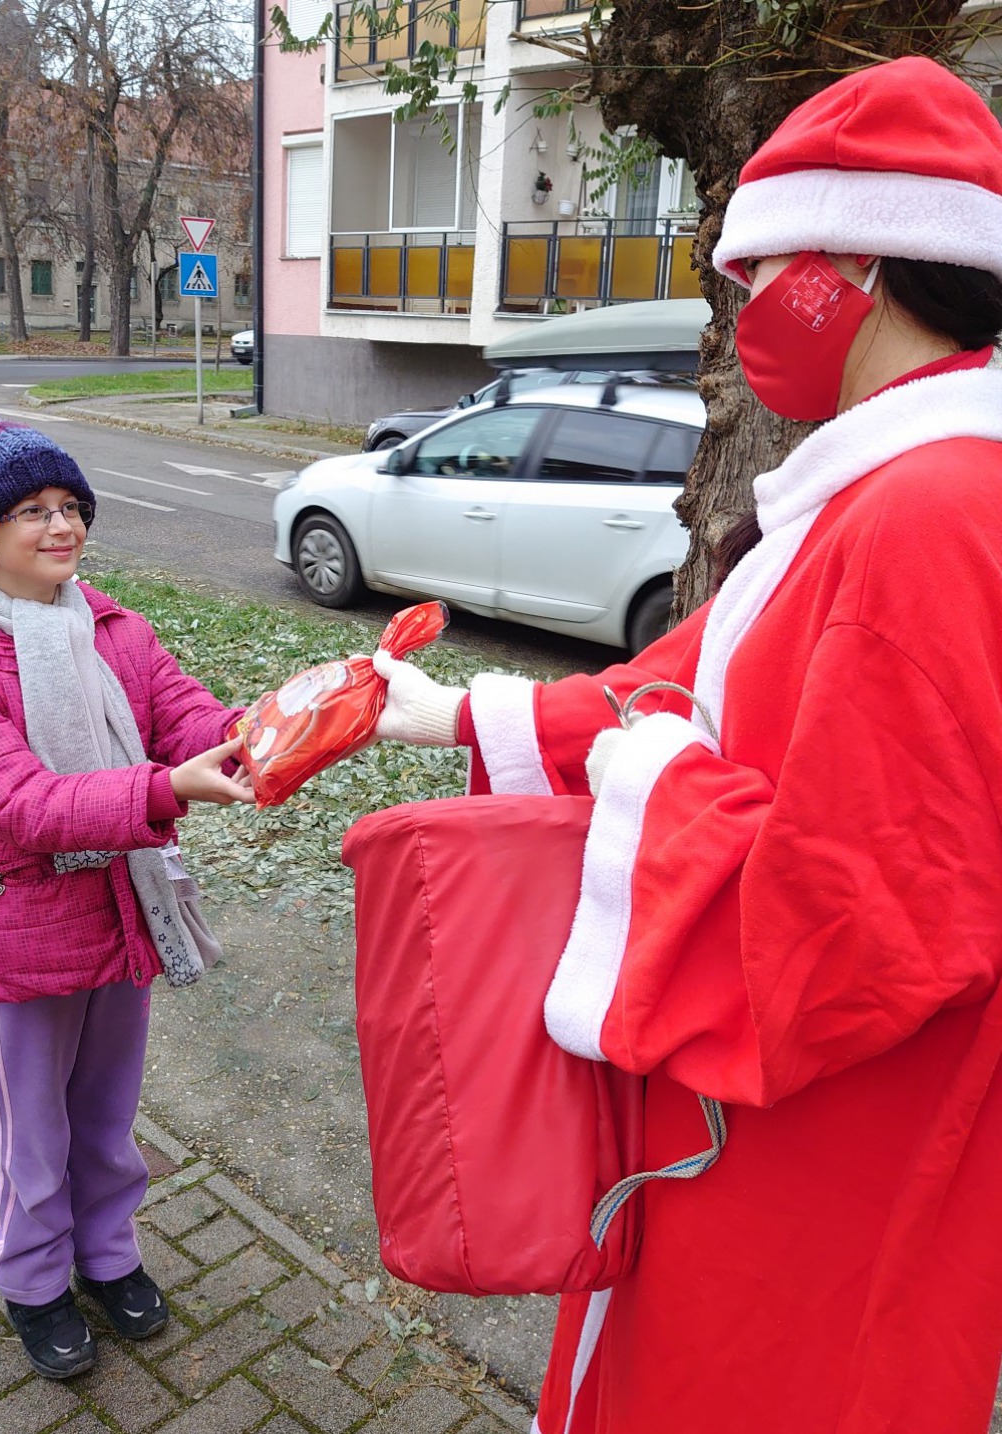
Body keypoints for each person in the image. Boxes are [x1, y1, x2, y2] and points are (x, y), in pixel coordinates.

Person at [370, 56, 1002, 1434]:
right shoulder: (898, 483)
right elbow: (701, 691)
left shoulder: (931, 514)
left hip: (815, 1153)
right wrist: (456, 711)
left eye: (761, 270)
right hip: (782, 1135)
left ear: (858, 263)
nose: (746, 306)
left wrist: (641, 780)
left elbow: (865, 918)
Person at [0, 403, 253, 1380]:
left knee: (107, 1114)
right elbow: (21, 804)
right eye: (32, 508)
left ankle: (108, 1256)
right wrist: (167, 790)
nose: (62, 523)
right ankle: (32, 1280)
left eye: (71, 502)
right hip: (27, 929)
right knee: (35, 1131)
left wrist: (274, 726)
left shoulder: (114, 627)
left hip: (124, 912)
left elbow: (187, 716)